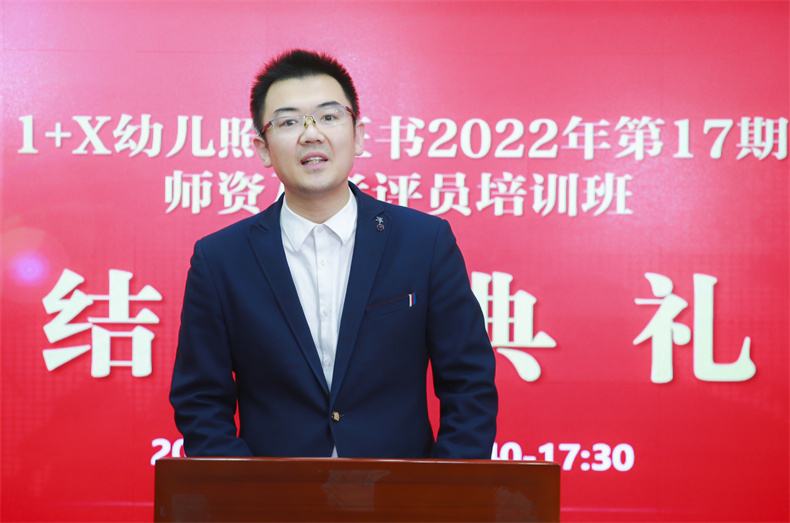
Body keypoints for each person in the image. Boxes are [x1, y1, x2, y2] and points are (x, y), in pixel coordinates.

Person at [169, 49, 497, 459]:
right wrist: (249, 490)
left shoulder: (424, 242)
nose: (311, 135)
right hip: (273, 492)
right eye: (288, 122)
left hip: (400, 490)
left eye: (328, 116)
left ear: (357, 135)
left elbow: (469, 382)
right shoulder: (220, 260)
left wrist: (442, 489)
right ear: (263, 148)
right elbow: (200, 399)